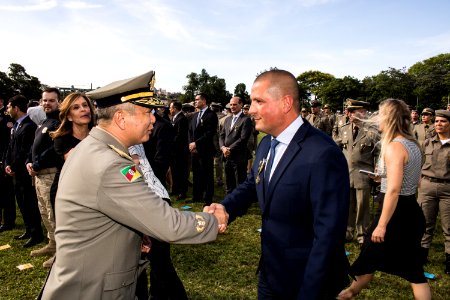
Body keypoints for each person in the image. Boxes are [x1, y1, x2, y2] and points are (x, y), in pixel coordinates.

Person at [40, 71, 222, 299]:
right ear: (121, 118)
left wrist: (134, 237)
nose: (154, 119)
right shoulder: (110, 165)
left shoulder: (94, 148)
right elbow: (168, 225)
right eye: (147, 112)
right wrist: (214, 220)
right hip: (92, 289)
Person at [207, 69, 350, 299]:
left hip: (306, 281)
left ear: (285, 103)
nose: (250, 110)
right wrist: (227, 207)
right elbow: (253, 185)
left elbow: (328, 236)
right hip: (271, 272)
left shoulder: (323, 154)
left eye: (258, 101)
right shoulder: (266, 144)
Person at [338, 99, 431, 300]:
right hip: (410, 211)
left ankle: (347, 294)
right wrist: (382, 178)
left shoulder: (395, 146)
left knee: (371, 255)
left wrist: (381, 225)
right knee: (409, 269)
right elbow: (405, 177)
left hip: (395, 213)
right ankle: (349, 293)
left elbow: (394, 190)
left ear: (388, 118)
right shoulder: (412, 143)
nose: (376, 118)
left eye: (380, 114)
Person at [334, 99, 380, 244]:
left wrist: (378, 167)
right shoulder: (344, 129)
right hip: (346, 174)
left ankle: (362, 235)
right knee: (348, 205)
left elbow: (379, 152)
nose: (361, 114)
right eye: (357, 112)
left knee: (362, 206)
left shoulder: (372, 131)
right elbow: (338, 147)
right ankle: (348, 232)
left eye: (363, 111)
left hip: (363, 174)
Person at [26, 87, 62, 268]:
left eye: (51, 100)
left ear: (59, 102)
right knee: (43, 211)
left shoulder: (59, 123)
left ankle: (60, 253)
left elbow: (54, 150)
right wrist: (28, 162)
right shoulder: (43, 122)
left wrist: (37, 164)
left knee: (52, 213)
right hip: (38, 176)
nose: (47, 103)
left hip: (49, 174)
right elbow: (34, 147)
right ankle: (52, 243)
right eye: (45, 100)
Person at [4, 95, 44, 248]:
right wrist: (7, 163)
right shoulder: (16, 125)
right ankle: (29, 230)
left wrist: (13, 166)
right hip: (15, 172)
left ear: (16, 108)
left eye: (9, 107)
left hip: (23, 172)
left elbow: (24, 151)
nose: (8, 110)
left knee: (29, 202)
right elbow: (10, 148)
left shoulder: (29, 126)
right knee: (21, 201)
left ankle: (36, 233)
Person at [49, 92, 96, 214]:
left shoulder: (98, 135)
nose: (83, 109)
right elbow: (79, 162)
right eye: (76, 107)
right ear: (69, 116)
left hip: (94, 193)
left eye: (85, 105)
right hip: (67, 195)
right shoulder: (61, 139)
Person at [417, 110, 450, 275]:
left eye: (442, 121)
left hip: (448, 189)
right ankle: (422, 257)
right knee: (424, 224)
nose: (438, 124)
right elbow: (420, 164)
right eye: (436, 121)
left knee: (448, 227)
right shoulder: (427, 143)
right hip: (427, 187)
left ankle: (449, 261)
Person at [188, 92, 218, 205]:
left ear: (204, 101)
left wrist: (197, 143)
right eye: (195, 100)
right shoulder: (195, 115)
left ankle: (208, 198)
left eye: (197, 99)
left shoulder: (211, 115)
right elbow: (190, 131)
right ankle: (197, 196)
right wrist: (191, 144)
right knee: (196, 174)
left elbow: (209, 132)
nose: (195, 101)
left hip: (205, 150)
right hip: (194, 150)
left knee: (207, 174)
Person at [219, 96, 253, 194]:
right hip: (227, 156)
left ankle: (240, 205)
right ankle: (229, 202)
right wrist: (222, 148)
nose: (232, 107)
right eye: (231, 105)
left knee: (240, 182)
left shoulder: (246, 120)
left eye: (235, 104)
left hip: (239, 157)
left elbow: (243, 139)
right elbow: (221, 136)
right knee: (229, 182)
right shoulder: (227, 119)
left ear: (241, 105)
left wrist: (228, 149)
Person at [0, 96, 16, 232]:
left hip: (3, 158)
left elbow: (8, 143)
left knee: (7, 193)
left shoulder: (7, 120)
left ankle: (8, 221)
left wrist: (6, 160)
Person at [169, 100, 189, 200]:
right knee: (175, 171)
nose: (169, 109)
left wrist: (170, 142)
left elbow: (180, 135)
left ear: (175, 108)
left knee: (181, 172)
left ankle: (182, 192)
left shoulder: (182, 119)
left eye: (170, 107)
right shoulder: (174, 118)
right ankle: (175, 189)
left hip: (180, 151)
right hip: (174, 151)